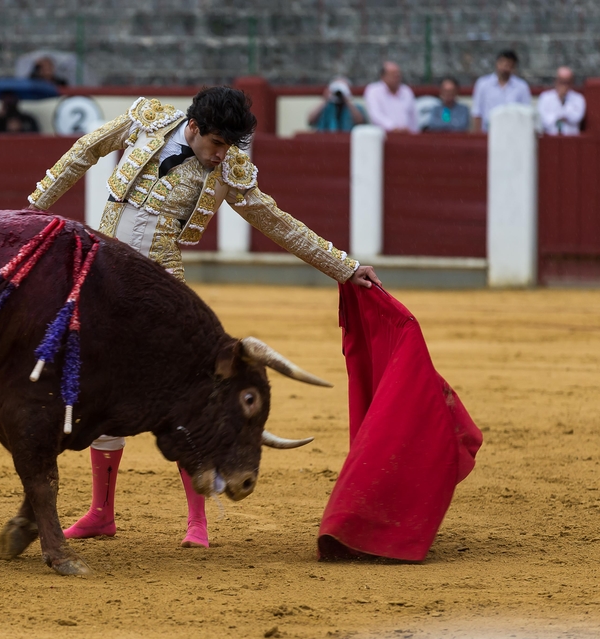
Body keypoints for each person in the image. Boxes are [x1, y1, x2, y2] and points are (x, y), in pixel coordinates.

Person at [26, 87, 380, 549]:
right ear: (192, 128)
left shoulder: (229, 169)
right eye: (216, 145)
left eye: (228, 148)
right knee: (103, 396)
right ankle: (100, 513)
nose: (220, 157)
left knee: (184, 401)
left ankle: (198, 521)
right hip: (102, 283)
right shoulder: (146, 119)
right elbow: (82, 152)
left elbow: (279, 223)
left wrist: (345, 267)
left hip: (165, 297)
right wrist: (30, 212)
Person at [471, 50, 531, 133]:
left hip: (513, 133)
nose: (505, 67)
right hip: (488, 132)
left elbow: (526, 113)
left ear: (514, 67)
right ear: (497, 63)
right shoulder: (483, 84)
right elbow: (477, 112)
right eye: (502, 63)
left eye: (509, 64)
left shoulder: (521, 87)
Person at [363, 61, 417, 133]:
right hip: (383, 136)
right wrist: (393, 127)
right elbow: (375, 115)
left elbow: (413, 116)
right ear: (383, 76)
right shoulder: (373, 91)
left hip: (406, 135)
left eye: (398, 74)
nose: (397, 77)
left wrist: (413, 132)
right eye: (393, 75)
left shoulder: (406, 91)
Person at [538, 67, 586, 136]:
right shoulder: (545, 97)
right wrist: (562, 117)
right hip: (550, 137)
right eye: (561, 82)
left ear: (572, 82)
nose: (564, 85)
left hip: (571, 138)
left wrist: (559, 115)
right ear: (556, 81)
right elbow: (544, 120)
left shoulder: (578, 98)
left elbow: (576, 118)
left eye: (567, 82)